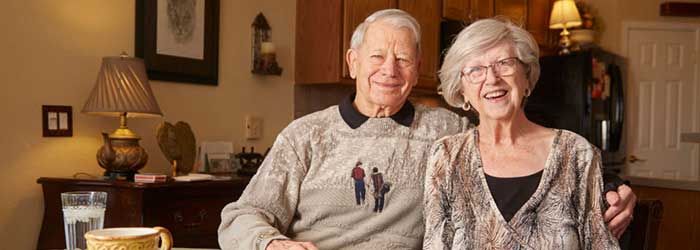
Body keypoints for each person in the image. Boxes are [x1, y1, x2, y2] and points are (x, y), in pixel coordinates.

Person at [218, 9, 635, 250]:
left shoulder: (446, 132)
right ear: (352, 62)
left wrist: (611, 188)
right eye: (377, 56)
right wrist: (271, 245)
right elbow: (239, 217)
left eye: (403, 59)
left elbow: (515, 147)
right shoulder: (305, 135)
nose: (389, 69)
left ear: (417, 69)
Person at [423, 18, 621, 249]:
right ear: (462, 90)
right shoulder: (446, 156)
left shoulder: (576, 153)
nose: (492, 79)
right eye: (476, 69)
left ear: (526, 77)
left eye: (504, 63)